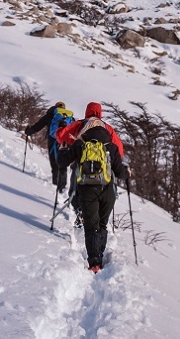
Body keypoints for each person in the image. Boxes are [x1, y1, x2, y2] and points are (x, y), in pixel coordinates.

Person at [57, 102, 129, 272]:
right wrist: (126, 173)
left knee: (90, 225)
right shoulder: (109, 134)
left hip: (85, 181)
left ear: (87, 112)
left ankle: (94, 262)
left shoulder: (80, 131)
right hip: (107, 185)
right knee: (101, 225)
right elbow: (120, 153)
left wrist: (63, 148)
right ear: (100, 114)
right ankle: (99, 256)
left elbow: (62, 139)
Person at [24, 101, 72, 191]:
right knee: (63, 163)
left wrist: (29, 132)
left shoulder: (50, 115)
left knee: (54, 164)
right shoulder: (69, 116)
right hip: (64, 142)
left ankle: (55, 184)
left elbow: (38, 126)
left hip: (53, 141)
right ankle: (62, 186)